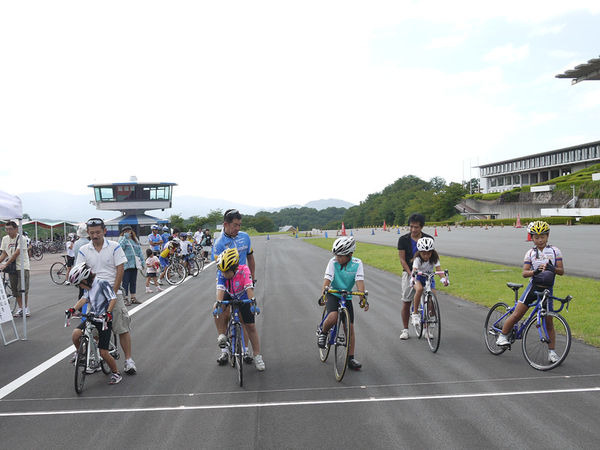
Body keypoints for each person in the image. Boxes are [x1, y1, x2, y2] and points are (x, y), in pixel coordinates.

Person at [496, 221, 564, 363]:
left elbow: (561, 271)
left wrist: (553, 269)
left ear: (548, 236)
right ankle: (502, 336)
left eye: (543, 237)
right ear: (532, 238)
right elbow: (524, 273)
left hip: (547, 290)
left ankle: (552, 352)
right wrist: (534, 271)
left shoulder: (555, 251)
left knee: (549, 322)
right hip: (533, 288)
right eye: (536, 237)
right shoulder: (531, 253)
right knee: (517, 314)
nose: (540, 240)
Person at [75, 218, 137, 375]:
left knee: (121, 327)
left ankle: (129, 360)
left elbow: (120, 271)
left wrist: (113, 293)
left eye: (98, 232)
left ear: (104, 231)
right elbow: (81, 273)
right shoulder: (84, 249)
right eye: (92, 233)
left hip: (114, 292)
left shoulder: (114, 247)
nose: (95, 235)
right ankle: (97, 358)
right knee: (93, 331)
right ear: (88, 233)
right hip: (94, 295)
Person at [66, 263, 122, 385]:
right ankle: (84, 356)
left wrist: (108, 313)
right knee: (76, 334)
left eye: (79, 284)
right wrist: (72, 309)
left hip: (104, 320)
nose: (79, 287)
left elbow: (113, 298)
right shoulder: (88, 287)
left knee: (103, 352)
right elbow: (84, 299)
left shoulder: (101, 283)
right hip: (92, 317)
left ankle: (116, 373)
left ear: (85, 279)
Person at [317, 236, 368, 370]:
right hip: (333, 293)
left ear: (350, 254)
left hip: (347, 296)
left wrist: (362, 298)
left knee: (349, 327)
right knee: (333, 316)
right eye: (336, 255)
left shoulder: (357, 263)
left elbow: (359, 282)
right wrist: (323, 294)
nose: (338, 258)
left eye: (341, 256)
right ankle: (323, 332)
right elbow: (327, 279)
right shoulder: (332, 262)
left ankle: (350, 358)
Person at [214, 248, 265, 371]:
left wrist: (252, 304)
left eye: (227, 272)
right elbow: (220, 290)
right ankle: (222, 335)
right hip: (229, 293)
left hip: (243, 295)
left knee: (251, 326)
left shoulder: (244, 270)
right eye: (223, 272)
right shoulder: (222, 271)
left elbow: (249, 289)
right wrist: (219, 305)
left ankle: (257, 355)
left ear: (235, 268)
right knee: (217, 307)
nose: (224, 274)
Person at [397, 213, 433, 340]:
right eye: (411, 226)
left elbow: (432, 257)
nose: (413, 230)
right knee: (406, 301)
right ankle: (405, 329)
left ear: (421, 227)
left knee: (429, 300)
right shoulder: (403, 239)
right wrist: (410, 272)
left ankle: (427, 329)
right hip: (409, 273)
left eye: (416, 227)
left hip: (425, 274)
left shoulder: (428, 239)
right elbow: (402, 259)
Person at [410, 237, 448, 335]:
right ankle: (415, 314)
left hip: (429, 278)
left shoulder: (434, 258)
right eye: (424, 253)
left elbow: (439, 270)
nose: (426, 255)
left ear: (432, 251)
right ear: (420, 252)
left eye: (429, 253)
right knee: (419, 289)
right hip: (418, 277)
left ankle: (429, 322)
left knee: (433, 297)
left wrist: (443, 279)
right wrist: (413, 278)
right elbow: (414, 269)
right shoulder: (417, 259)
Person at [0, 220, 31, 317]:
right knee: (15, 290)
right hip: (12, 268)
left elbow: (17, 253)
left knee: (22, 289)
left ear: (16, 229)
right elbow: (4, 253)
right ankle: (20, 308)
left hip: (22, 267)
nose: (8, 231)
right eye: (6, 229)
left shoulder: (22, 238)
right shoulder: (5, 239)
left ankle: (25, 308)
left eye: (10, 229)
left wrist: (5, 264)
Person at [118, 226, 145, 305]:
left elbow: (139, 251)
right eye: (125, 231)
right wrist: (124, 238)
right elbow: (120, 247)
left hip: (135, 264)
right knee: (125, 282)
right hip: (126, 264)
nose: (128, 232)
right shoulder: (122, 239)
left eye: (129, 230)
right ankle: (125, 298)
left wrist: (142, 261)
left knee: (133, 281)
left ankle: (133, 297)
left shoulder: (135, 240)